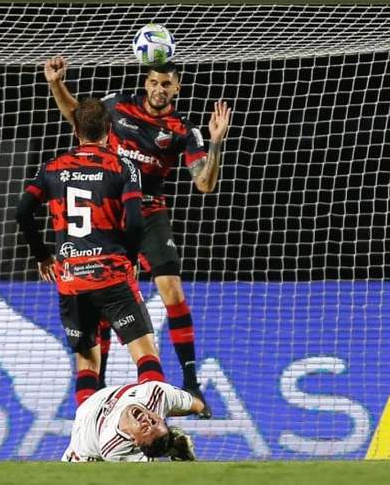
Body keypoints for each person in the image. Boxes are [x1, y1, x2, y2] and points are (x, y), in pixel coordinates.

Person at [44, 56, 232, 419]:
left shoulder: (183, 129)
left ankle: (191, 384)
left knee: (172, 290)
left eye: (167, 84)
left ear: (177, 88)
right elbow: (77, 116)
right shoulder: (117, 105)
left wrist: (215, 143)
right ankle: (93, 395)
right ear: (146, 83)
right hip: (109, 212)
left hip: (148, 213)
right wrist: (56, 84)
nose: (159, 89)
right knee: (100, 296)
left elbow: (205, 184)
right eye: (154, 82)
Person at [15, 97, 165, 406]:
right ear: (110, 131)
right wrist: (133, 258)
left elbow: (22, 212)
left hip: (71, 280)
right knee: (147, 357)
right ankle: (154, 436)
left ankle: (85, 445)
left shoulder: (52, 168)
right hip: (111, 274)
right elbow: (136, 223)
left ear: (76, 131)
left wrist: (43, 255)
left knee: (87, 366)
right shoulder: (122, 166)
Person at [62, 380, 204, 462]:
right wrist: (200, 408)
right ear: (160, 417)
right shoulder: (156, 393)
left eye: (145, 428)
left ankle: (173, 449)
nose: (146, 421)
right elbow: (197, 405)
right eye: (154, 422)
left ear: (134, 440)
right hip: (96, 400)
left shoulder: (113, 447)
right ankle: (172, 446)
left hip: (83, 448)